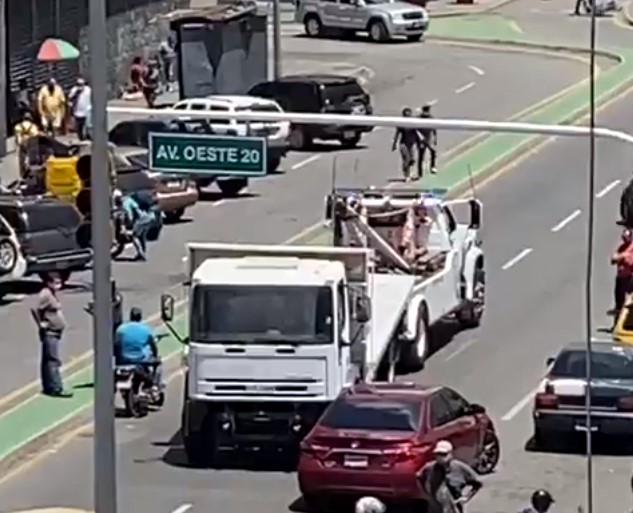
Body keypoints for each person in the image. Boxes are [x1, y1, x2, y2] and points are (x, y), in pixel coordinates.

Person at [30, 273, 72, 397]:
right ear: (48, 283)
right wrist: (41, 323)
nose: (59, 285)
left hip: (55, 332)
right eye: (56, 282)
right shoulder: (45, 295)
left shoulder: (51, 294)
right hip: (50, 332)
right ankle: (56, 387)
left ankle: (48, 386)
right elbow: (34, 308)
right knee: (53, 360)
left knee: (48, 360)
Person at [418, 440, 483, 513]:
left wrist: (466, 497)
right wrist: (425, 494)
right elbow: (419, 477)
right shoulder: (429, 468)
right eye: (438, 454)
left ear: (451, 454)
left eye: (444, 454)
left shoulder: (459, 467)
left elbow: (477, 483)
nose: (440, 457)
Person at [114, 307, 163, 389]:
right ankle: (154, 386)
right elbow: (153, 345)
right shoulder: (146, 330)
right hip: (142, 360)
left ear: (130, 317)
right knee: (158, 364)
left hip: (123, 360)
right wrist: (155, 355)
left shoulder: (120, 329)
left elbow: (116, 344)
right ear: (140, 317)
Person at [121, 192, 154, 261]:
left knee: (134, 236)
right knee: (142, 236)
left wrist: (127, 225)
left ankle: (141, 254)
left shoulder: (125, 203)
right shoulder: (130, 199)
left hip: (141, 219)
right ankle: (142, 253)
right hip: (149, 217)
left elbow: (130, 215)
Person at [392, 107, 421, 182]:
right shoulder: (401, 124)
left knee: (412, 160)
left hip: (411, 144)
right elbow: (397, 134)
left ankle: (408, 171)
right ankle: (406, 175)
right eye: (406, 115)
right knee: (406, 159)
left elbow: (416, 133)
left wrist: (419, 143)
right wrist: (394, 144)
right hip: (403, 144)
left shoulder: (413, 123)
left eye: (409, 114)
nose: (408, 116)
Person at [609, 228, 633, 317]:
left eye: (626, 237)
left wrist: (622, 258)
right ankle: (618, 319)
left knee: (630, 300)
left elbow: (630, 263)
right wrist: (623, 256)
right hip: (620, 277)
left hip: (629, 277)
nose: (624, 239)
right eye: (623, 237)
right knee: (619, 301)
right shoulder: (621, 247)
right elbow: (613, 259)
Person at [14, 110, 40, 179]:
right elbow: (36, 136)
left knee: (21, 161)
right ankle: (31, 176)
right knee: (32, 161)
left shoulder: (18, 126)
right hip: (31, 145)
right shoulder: (34, 126)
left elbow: (17, 139)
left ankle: (22, 176)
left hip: (22, 144)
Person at [418, 103, 438, 176]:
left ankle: (433, 167)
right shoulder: (419, 118)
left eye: (428, 110)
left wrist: (435, 138)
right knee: (421, 155)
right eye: (425, 110)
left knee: (433, 152)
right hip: (421, 139)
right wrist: (419, 137)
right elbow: (416, 129)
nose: (427, 112)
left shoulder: (431, 118)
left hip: (429, 138)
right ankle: (420, 172)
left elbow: (434, 129)